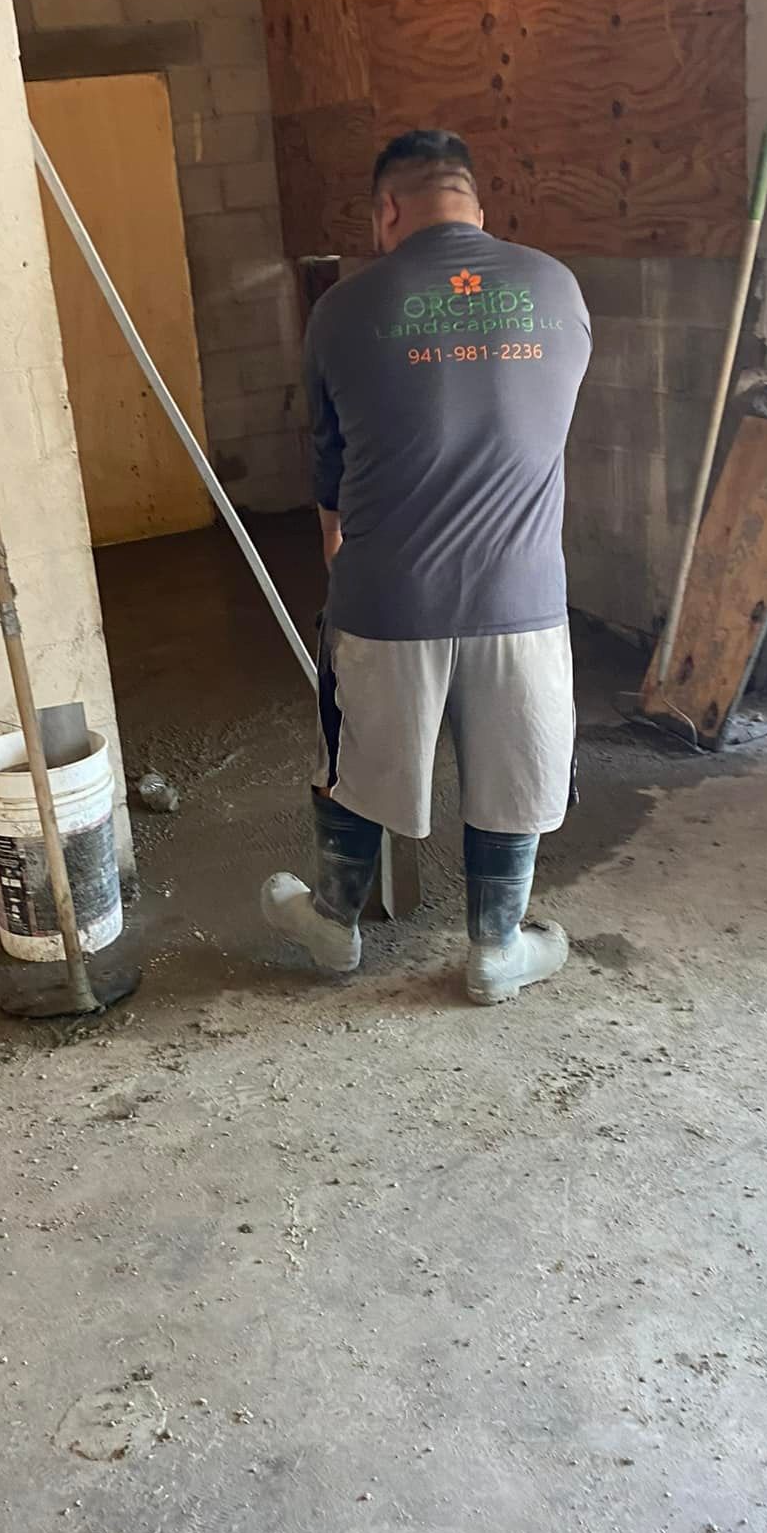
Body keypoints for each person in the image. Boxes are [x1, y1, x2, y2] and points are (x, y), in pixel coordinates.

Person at [261, 128, 592, 1004]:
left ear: (387, 211)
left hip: (386, 598)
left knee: (356, 757)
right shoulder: (556, 289)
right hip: (522, 595)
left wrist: (343, 573)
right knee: (514, 769)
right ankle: (495, 950)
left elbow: (329, 466)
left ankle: (334, 928)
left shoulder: (343, 308)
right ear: (476, 206)